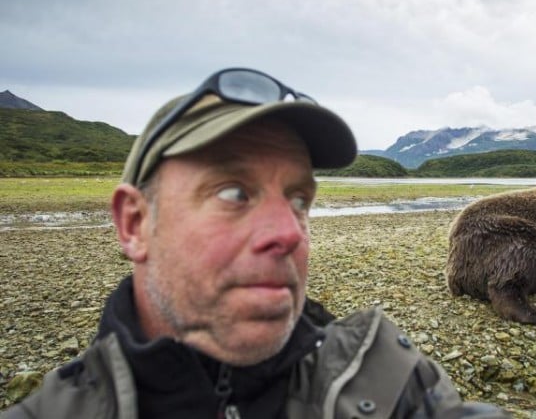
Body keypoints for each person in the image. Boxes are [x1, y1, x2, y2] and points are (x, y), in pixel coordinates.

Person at [2, 68, 510, 418]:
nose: (289, 233)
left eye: (298, 201)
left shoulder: (386, 377)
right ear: (135, 224)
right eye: (232, 192)